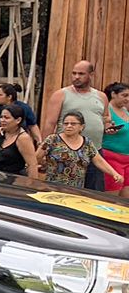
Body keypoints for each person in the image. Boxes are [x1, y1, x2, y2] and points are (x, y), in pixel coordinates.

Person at [42, 60, 109, 189]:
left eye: (81, 74)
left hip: (94, 150)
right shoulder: (61, 94)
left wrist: (108, 127)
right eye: (74, 73)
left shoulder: (101, 96)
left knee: (94, 191)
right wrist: (46, 149)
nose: (76, 77)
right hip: (66, 151)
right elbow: (50, 123)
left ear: (91, 75)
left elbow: (105, 118)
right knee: (65, 189)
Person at [40, 110, 123, 188]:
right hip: (53, 187)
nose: (69, 126)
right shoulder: (53, 139)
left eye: (73, 124)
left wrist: (114, 174)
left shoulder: (87, 143)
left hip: (77, 189)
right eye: (66, 123)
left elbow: (98, 161)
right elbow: (36, 158)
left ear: (81, 127)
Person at [0, 103, 37, 178]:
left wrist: (32, 185)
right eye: (1, 117)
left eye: (6, 118)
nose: (2, 120)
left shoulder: (23, 138)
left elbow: (32, 164)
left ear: (18, 120)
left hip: (13, 179)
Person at [101, 81, 129, 193]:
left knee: (126, 198)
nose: (127, 99)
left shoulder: (126, 111)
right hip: (112, 158)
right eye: (124, 95)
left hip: (127, 159)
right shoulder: (107, 110)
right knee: (113, 195)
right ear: (113, 94)